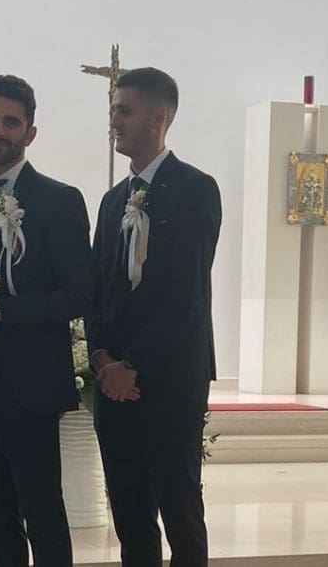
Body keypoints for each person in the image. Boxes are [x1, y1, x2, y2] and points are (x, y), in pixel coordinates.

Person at [86, 67, 222, 567]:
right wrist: (102, 359)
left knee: (179, 506)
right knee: (129, 510)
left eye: (124, 110)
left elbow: (186, 295)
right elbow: (97, 290)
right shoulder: (111, 202)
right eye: (112, 111)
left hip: (171, 377)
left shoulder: (195, 189)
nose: (113, 121)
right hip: (113, 380)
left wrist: (133, 365)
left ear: (158, 117)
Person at [0, 74, 95, 567]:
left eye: (11, 122)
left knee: (43, 516)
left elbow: (79, 294)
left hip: (31, 389)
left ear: (30, 132)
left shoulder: (59, 199)